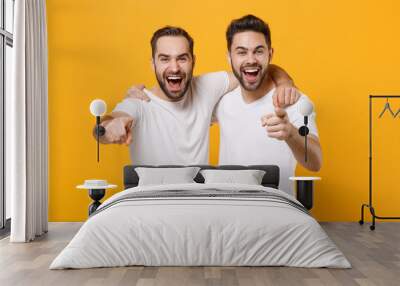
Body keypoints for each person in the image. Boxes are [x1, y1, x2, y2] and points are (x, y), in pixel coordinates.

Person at [96, 26, 298, 165]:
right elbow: (107, 125)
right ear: (153, 64)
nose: (174, 67)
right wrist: (105, 128)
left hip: (198, 205)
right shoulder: (137, 103)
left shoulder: (207, 86)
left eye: (182, 58)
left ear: (193, 61)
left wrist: (285, 82)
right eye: (165, 59)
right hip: (150, 206)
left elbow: (256, 67)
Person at [214, 15, 322, 194]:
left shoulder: (296, 102)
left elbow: (315, 162)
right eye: (241, 52)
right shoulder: (221, 101)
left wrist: (291, 134)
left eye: (258, 51)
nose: (251, 60)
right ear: (229, 57)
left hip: (276, 212)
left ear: (270, 54)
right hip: (229, 211)